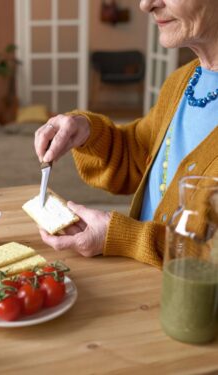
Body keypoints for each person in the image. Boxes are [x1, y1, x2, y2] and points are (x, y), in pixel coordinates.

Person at [34, 0, 218, 268]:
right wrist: (86, 131)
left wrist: (123, 237)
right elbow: (138, 154)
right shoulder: (184, 81)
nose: (146, 4)